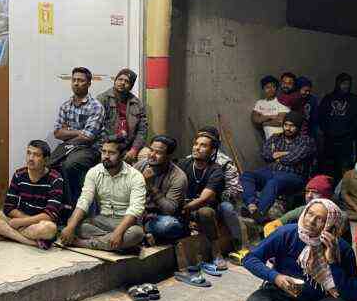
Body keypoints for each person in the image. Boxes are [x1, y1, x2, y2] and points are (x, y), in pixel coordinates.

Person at [244, 199, 357, 301]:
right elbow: (250, 259)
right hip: (283, 294)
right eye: (310, 213)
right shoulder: (287, 233)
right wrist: (276, 277)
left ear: (331, 224)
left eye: (320, 219)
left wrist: (332, 262)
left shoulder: (342, 248)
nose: (311, 221)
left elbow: (353, 294)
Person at [59, 136, 146, 252]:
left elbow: (135, 209)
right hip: (102, 220)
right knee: (76, 225)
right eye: (104, 152)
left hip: (126, 223)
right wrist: (70, 227)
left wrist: (118, 232)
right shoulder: (94, 172)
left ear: (122, 155)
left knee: (136, 234)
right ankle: (118, 245)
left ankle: (81, 243)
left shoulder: (135, 176)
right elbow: (84, 200)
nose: (106, 156)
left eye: (111, 153)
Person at [0, 140, 63, 249]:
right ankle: (29, 242)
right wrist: (21, 221)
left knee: (50, 229)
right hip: (19, 221)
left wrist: (23, 222)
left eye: (36, 155)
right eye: (29, 153)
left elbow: (50, 214)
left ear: (46, 159)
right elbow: (8, 207)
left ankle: (7, 234)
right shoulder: (19, 174)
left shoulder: (55, 178)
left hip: (38, 223)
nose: (30, 158)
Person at [179, 127, 239, 270]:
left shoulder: (217, 169)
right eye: (196, 144)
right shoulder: (184, 164)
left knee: (207, 212)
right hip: (185, 206)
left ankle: (216, 251)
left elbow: (205, 198)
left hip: (206, 207)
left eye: (203, 145)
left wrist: (185, 209)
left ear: (212, 151)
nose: (197, 148)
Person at [241, 111, 317, 220]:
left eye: (292, 126)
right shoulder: (275, 138)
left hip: (294, 176)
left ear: (298, 127)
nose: (288, 128)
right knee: (247, 175)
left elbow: (293, 159)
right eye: (286, 125)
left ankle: (259, 214)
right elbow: (265, 154)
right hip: (271, 171)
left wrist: (276, 155)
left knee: (274, 182)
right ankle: (251, 205)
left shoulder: (306, 141)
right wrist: (285, 153)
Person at [51, 67, 105, 208]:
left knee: (68, 165)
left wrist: (68, 132)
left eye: (80, 80)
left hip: (90, 149)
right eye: (74, 80)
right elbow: (57, 133)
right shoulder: (66, 106)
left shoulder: (96, 106)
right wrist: (78, 132)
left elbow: (88, 137)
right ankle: (57, 207)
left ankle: (73, 207)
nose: (76, 83)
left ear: (88, 83)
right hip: (70, 146)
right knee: (48, 165)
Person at [134, 135, 188, 242]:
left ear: (168, 156)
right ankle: (144, 233)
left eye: (158, 153)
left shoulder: (178, 177)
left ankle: (143, 232)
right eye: (151, 150)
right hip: (138, 214)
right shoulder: (141, 165)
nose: (152, 155)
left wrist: (151, 186)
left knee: (169, 226)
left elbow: (170, 210)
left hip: (158, 218)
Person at [320, 73, 357, 181]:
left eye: (348, 84)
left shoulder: (355, 100)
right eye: (343, 83)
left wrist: (349, 132)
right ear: (337, 84)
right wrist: (327, 131)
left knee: (346, 165)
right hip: (330, 139)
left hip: (347, 139)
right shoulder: (328, 98)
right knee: (329, 166)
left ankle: (345, 189)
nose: (346, 86)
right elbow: (321, 117)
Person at [96, 69, 148, 164]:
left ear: (131, 86)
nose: (122, 83)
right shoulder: (102, 99)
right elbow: (97, 128)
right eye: (120, 79)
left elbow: (142, 130)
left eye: (127, 81)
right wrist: (109, 144)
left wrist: (134, 150)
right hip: (108, 144)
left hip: (129, 145)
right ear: (115, 80)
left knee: (146, 155)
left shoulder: (137, 103)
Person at [263, 174, 334, 237]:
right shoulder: (304, 209)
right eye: (307, 191)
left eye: (315, 192)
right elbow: (276, 223)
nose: (309, 195)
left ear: (325, 196)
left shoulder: (336, 215)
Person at [253, 75, 291, 140]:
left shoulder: (282, 101)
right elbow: (255, 119)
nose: (271, 89)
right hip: (269, 141)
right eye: (267, 87)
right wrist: (270, 117)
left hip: (283, 139)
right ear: (263, 89)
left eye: (273, 87)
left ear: (276, 88)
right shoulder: (259, 103)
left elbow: (281, 121)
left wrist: (264, 123)